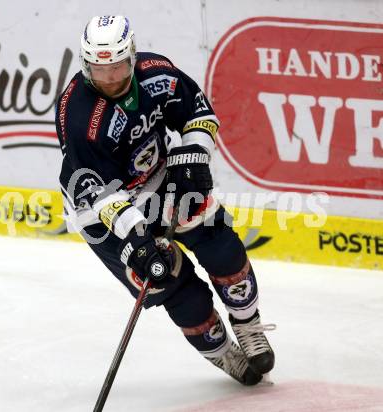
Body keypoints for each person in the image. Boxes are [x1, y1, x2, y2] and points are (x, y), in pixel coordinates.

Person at [55, 15, 275, 386]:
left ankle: (248, 325)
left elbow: (199, 114)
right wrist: (137, 236)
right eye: (98, 69)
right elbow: (96, 191)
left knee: (221, 247)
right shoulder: (79, 117)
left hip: (161, 179)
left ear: (133, 56)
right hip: (101, 212)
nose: (110, 79)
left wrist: (193, 155)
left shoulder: (156, 73)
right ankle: (222, 352)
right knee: (168, 284)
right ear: (84, 63)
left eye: (119, 66)